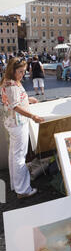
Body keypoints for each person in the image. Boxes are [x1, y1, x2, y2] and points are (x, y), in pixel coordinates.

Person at [0, 57, 44, 199]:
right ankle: (23, 190)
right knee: (19, 156)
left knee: (14, 155)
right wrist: (33, 116)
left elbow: (15, 100)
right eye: (20, 71)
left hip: (12, 123)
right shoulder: (12, 85)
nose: (22, 74)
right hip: (18, 123)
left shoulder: (8, 82)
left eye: (24, 71)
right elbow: (15, 106)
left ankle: (16, 185)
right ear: (12, 70)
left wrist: (28, 99)